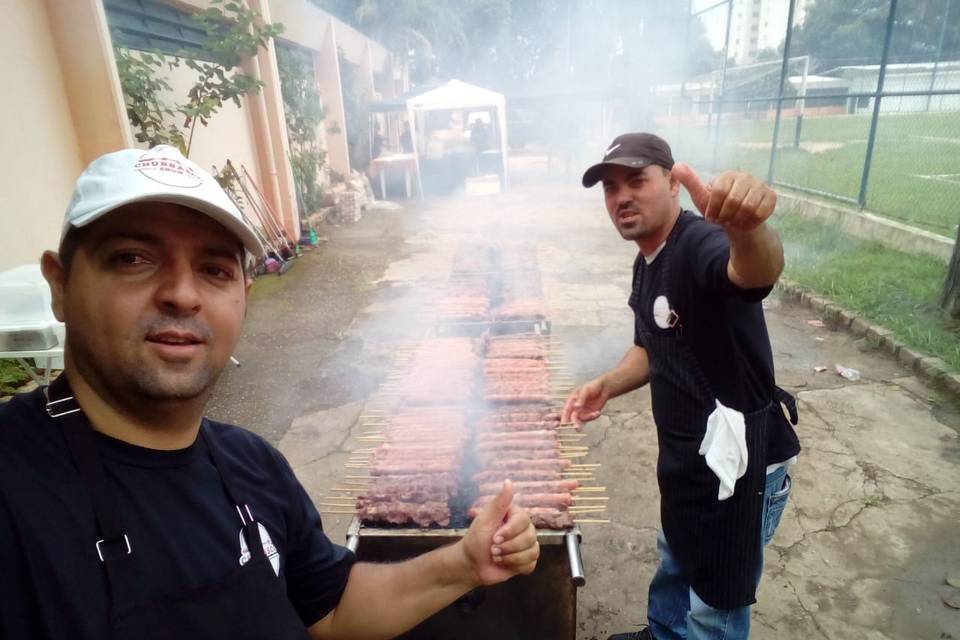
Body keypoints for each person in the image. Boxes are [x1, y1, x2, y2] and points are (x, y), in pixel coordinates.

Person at [0, 145, 539, 640]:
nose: (183, 294)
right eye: (133, 258)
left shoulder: (253, 464)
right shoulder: (14, 494)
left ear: (243, 295)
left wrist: (464, 563)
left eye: (213, 269)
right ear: (60, 285)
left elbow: (330, 611)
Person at [563, 133, 800, 640]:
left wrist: (748, 231)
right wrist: (606, 384)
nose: (621, 196)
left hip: (741, 466)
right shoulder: (648, 258)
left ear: (673, 183)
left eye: (637, 181)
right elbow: (652, 346)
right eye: (610, 187)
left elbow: (755, 272)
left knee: (715, 604)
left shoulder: (700, 244)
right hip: (687, 459)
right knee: (676, 555)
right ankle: (665, 634)